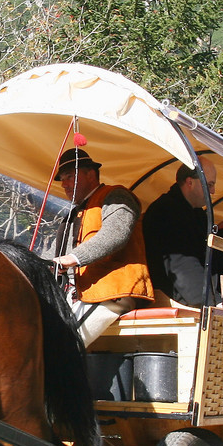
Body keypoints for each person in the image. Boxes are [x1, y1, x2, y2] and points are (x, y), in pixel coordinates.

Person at [51, 147, 154, 346]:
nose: (64, 183)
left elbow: (115, 235)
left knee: (62, 344)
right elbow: (54, 255)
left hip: (111, 294)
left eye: (70, 176)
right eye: (62, 179)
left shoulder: (116, 196)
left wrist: (72, 259)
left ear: (91, 174)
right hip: (80, 296)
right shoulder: (74, 215)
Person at [142, 158, 217, 306]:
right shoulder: (166, 211)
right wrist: (210, 302)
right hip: (174, 299)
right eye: (209, 185)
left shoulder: (198, 215)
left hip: (193, 296)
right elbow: (181, 264)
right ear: (190, 182)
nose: (213, 192)